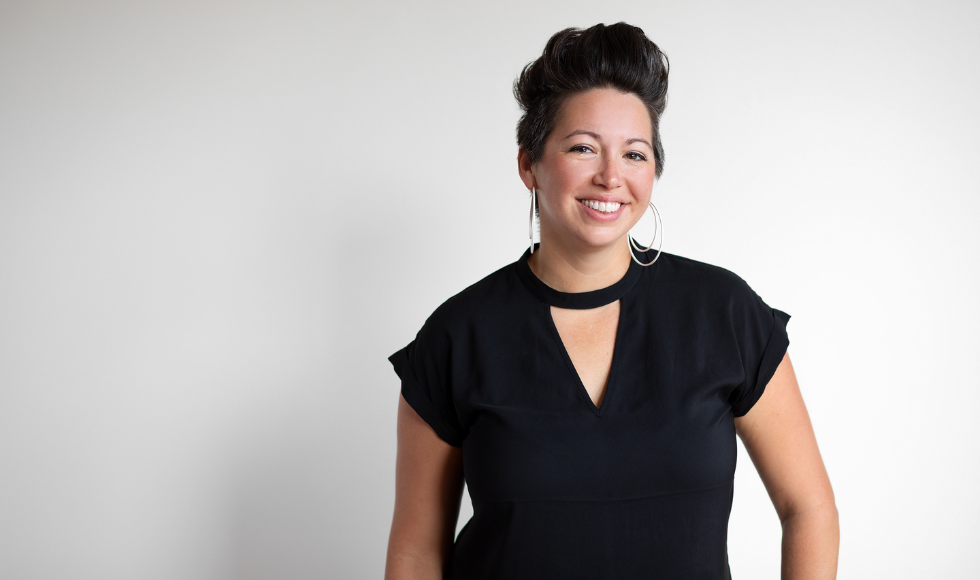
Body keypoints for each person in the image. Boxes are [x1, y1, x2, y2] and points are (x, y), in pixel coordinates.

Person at [384, 22, 839, 580]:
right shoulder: (457, 337)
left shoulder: (724, 313)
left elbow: (809, 508)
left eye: (634, 154)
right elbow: (415, 552)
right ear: (529, 163)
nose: (610, 177)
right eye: (582, 148)